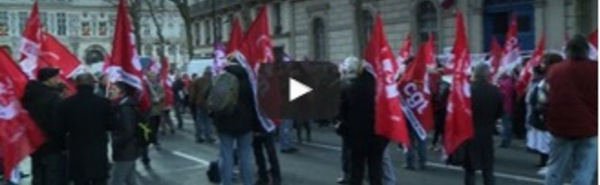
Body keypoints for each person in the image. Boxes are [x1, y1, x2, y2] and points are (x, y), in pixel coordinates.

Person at [543, 35, 597, 185]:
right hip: (590, 126)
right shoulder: (596, 70)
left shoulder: (555, 70)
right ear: (586, 51)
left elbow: (545, 97)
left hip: (560, 127)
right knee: (584, 170)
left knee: (555, 169)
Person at [55, 73, 115, 185]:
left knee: (80, 180)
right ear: (92, 85)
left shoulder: (65, 104)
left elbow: (60, 130)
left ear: (76, 85)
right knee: (100, 180)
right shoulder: (103, 103)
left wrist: (63, 147)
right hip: (98, 151)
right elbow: (112, 125)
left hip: (77, 152)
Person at [339, 57, 388, 185]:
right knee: (375, 169)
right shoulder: (380, 88)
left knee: (356, 170)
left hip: (356, 136)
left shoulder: (348, 89)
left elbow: (341, 114)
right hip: (378, 135)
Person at [21, 68, 68, 185]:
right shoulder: (53, 97)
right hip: (52, 144)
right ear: (49, 80)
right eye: (55, 78)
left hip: (34, 144)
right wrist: (63, 142)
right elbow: (58, 122)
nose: (57, 80)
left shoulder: (28, 96)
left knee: (38, 176)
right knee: (52, 177)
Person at [212, 63, 255, 185]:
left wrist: (216, 123)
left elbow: (214, 103)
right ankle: (248, 182)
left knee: (227, 156)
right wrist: (255, 125)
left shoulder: (222, 83)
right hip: (245, 125)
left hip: (225, 124)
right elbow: (254, 107)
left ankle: (227, 182)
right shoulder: (248, 84)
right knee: (246, 156)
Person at [464, 62, 503, 185]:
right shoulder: (495, 91)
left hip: (470, 131)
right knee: (488, 168)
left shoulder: (468, 90)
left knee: (470, 169)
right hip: (487, 131)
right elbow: (500, 112)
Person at [524, 53, 563, 176]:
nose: (541, 64)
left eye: (544, 62)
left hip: (549, 115)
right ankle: (544, 161)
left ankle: (551, 165)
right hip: (540, 114)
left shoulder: (553, 78)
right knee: (542, 141)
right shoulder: (542, 77)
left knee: (550, 142)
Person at [109, 82, 142, 185]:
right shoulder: (122, 106)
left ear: (122, 93)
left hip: (125, 150)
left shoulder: (125, 108)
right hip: (129, 149)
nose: (111, 91)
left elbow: (128, 130)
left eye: (114, 90)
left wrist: (117, 141)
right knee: (130, 179)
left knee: (116, 181)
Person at [142, 71, 165, 167]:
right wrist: (152, 100)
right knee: (149, 130)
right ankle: (150, 143)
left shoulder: (159, 86)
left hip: (157, 111)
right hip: (149, 112)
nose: (153, 78)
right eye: (151, 76)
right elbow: (145, 98)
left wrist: (158, 98)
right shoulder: (146, 87)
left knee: (156, 128)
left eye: (155, 76)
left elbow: (163, 94)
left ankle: (155, 140)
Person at [190, 68, 215, 143]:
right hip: (208, 104)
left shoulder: (198, 81)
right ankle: (208, 136)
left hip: (200, 103)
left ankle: (199, 136)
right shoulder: (212, 81)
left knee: (200, 121)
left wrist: (192, 102)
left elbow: (193, 93)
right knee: (208, 121)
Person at [497, 69, 516, 148]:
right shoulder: (509, 82)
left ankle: (505, 141)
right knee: (507, 124)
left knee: (506, 124)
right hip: (509, 105)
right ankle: (506, 140)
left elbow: (502, 95)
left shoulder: (505, 84)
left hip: (505, 106)